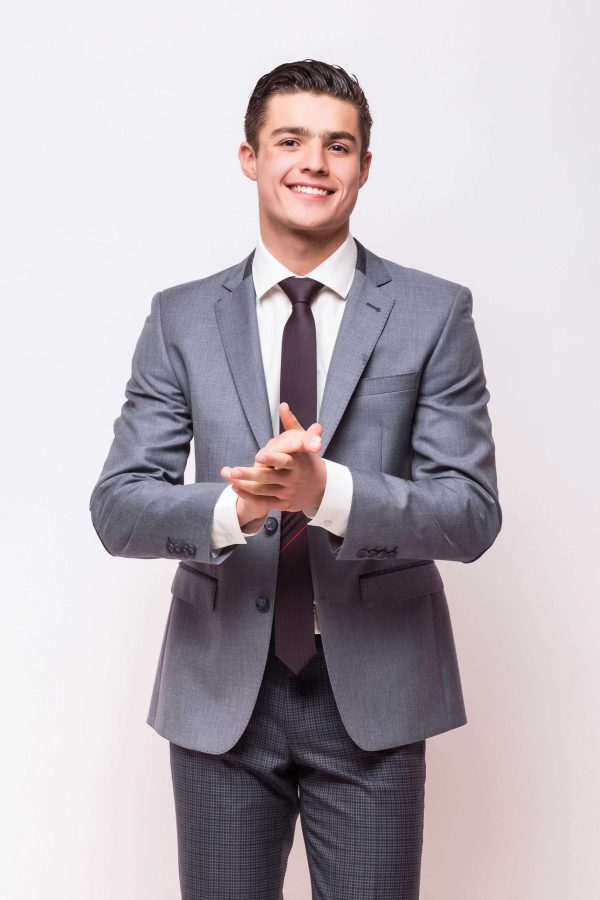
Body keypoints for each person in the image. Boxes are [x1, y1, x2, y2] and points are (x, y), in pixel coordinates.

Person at [90, 59, 501, 900]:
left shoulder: (434, 312)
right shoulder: (181, 317)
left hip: (376, 696)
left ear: (364, 167)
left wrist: (330, 497)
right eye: (291, 140)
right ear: (250, 156)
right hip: (218, 694)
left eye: (338, 145)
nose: (315, 162)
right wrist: (236, 505)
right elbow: (119, 507)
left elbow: (470, 513)